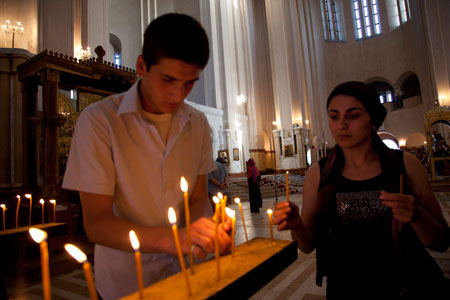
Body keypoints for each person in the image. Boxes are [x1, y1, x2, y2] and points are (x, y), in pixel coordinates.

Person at [63, 13, 232, 300]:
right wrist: (173, 240)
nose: (178, 95)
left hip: (188, 276)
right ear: (142, 66)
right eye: (168, 79)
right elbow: (97, 223)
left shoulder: (198, 124)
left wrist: (208, 231)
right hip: (126, 284)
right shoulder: (100, 122)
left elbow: (196, 198)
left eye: (189, 83)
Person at [274, 81, 450, 299]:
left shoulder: (406, 165)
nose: (341, 125)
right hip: (346, 288)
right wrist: (297, 225)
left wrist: (416, 215)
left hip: (408, 285)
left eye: (353, 115)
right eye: (334, 116)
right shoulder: (318, 174)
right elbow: (308, 246)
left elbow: (442, 242)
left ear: (372, 120)